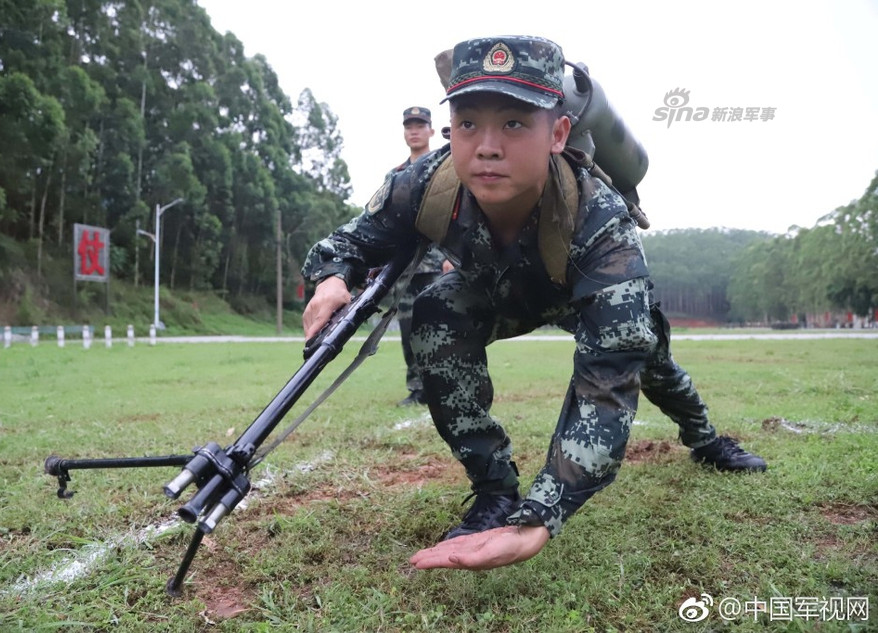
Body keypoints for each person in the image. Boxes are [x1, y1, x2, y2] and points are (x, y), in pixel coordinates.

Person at [301, 35, 766, 571]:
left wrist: (543, 514)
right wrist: (332, 278)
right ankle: (493, 489)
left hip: (574, 291)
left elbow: (607, 383)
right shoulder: (426, 182)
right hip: (494, 291)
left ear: (558, 132)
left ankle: (706, 440)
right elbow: (348, 243)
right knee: (435, 311)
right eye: (469, 123)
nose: (487, 146)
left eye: (515, 123)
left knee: (651, 360)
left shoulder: (601, 222)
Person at [389, 106, 453, 406]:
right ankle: (417, 388)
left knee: (439, 329)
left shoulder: (445, 167)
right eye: (409, 126)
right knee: (407, 330)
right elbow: (388, 222)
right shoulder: (396, 176)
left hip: (436, 265)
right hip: (405, 269)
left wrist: (450, 254)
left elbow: (454, 214)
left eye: (420, 125)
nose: (414, 130)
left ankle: (442, 386)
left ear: (430, 130)